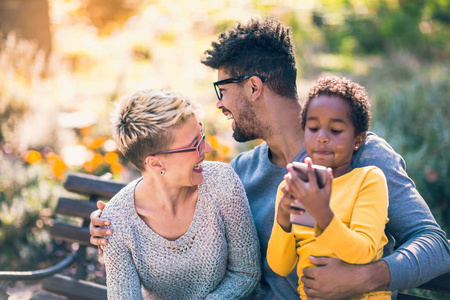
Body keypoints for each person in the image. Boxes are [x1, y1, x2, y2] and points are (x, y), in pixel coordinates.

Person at [90, 18, 450, 299]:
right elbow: (170, 188)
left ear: (253, 87)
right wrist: (112, 222)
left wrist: (362, 278)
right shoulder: (243, 172)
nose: (219, 103)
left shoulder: (362, 155)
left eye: (223, 90)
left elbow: (434, 244)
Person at [99, 88, 261, 299]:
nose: (208, 147)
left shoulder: (222, 182)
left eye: (201, 134)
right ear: (156, 163)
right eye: (195, 144)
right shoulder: (116, 222)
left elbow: (246, 273)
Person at [267, 76, 391, 299]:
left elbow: (363, 253)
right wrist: (283, 220)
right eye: (313, 128)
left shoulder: (368, 180)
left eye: (335, 130)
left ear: (358, 140)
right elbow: (280, 267)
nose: (322, 138)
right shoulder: (293, 186)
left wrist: (323, 214)